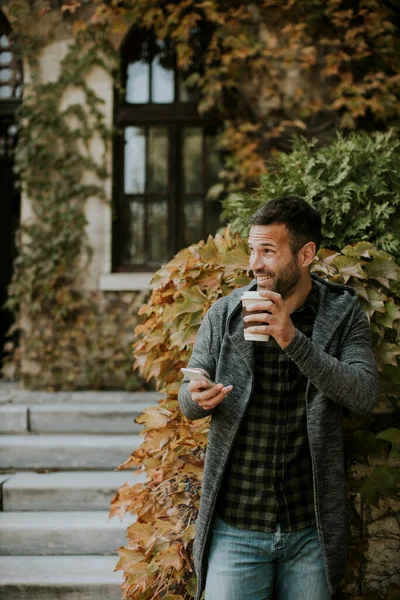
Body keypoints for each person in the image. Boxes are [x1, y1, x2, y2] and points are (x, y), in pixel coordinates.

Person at [178, 196, 379, 600]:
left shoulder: (342, 314)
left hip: (310, 529)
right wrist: (198, 397)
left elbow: (363, 394)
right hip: (236, 525)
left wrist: (291, 339)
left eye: (268, 251)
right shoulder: (225, 313)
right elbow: (188, 398)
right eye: (252, 250)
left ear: (306, 254)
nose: (255, 263)